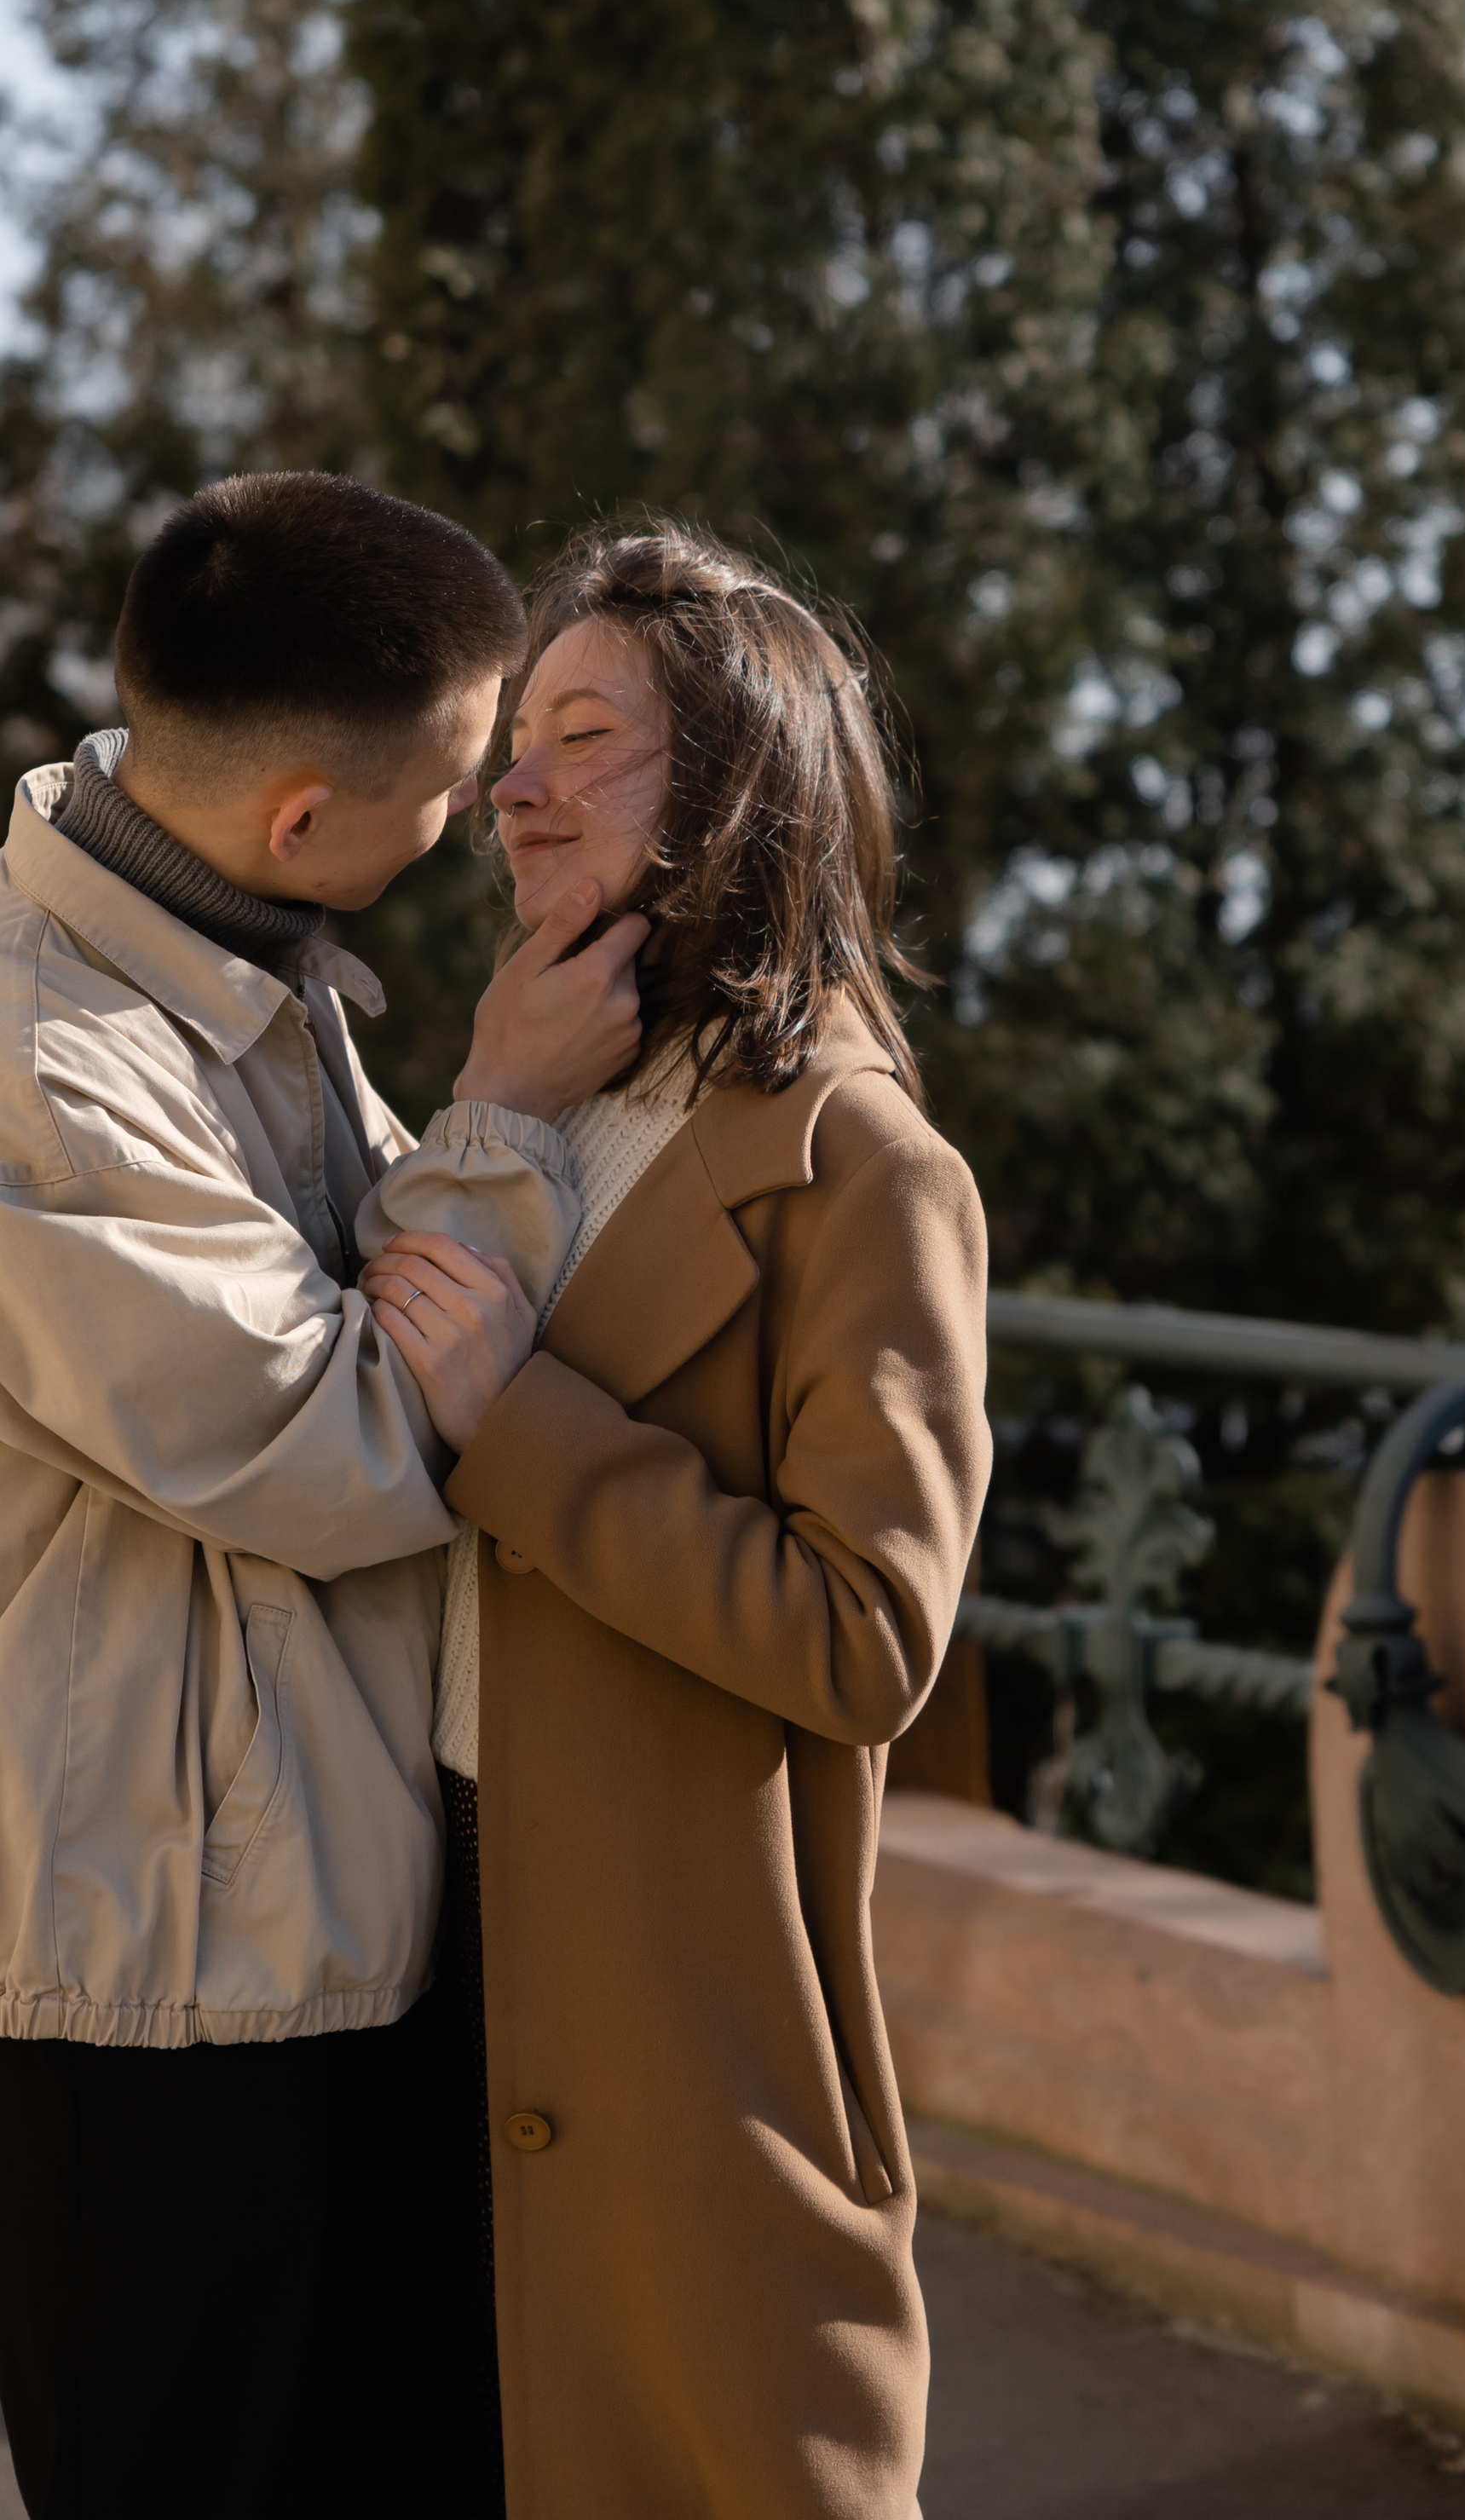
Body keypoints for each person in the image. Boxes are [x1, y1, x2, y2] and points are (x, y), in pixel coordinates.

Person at [0, 474, 646, 2520]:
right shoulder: (44, 1055)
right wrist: (505, 1110)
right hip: (157, 1993)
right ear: (303, 816)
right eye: (458, 779)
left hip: (316, 1926)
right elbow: (346, 1442)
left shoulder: (230, 954)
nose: (484, 810)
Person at [360, 522, 991, 2520]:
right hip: (437, 1954)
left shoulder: (862, 1165)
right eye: (514, 749)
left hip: (679, 2028)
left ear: (734, 781)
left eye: (582, 739)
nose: (513, 791)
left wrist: (522, 1427)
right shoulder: (546, 1084)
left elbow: (868, 1641)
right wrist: (489, 1095)